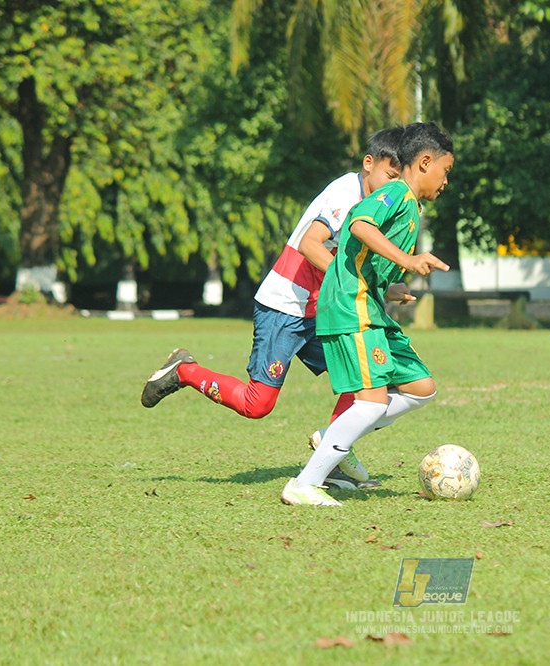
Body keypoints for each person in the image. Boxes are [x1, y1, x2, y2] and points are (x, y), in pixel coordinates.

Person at [141, 127, 410, 487]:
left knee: (362, 376)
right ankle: (186, 371)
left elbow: (351, 264)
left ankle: (331, 455)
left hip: (323, 307)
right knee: (257, 405)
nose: (392, 185)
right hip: (286, 304)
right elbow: (309, 244)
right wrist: (357, 285)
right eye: (389, 176)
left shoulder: (374, 203)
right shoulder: (346, 194)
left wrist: (385, 288)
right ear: (368, 163)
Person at [280, 121, 454, 506]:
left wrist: (389, 287)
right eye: (446, 170)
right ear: (425, 162)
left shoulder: (411, 205)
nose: (446, 181)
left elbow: (363, 259)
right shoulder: (394, 192)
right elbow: (359, 224)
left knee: (421, 388)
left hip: (370, 303)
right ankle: (305, 484)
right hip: (349, 305)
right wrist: (408, 259)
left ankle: (334, 435)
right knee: (372, 401)